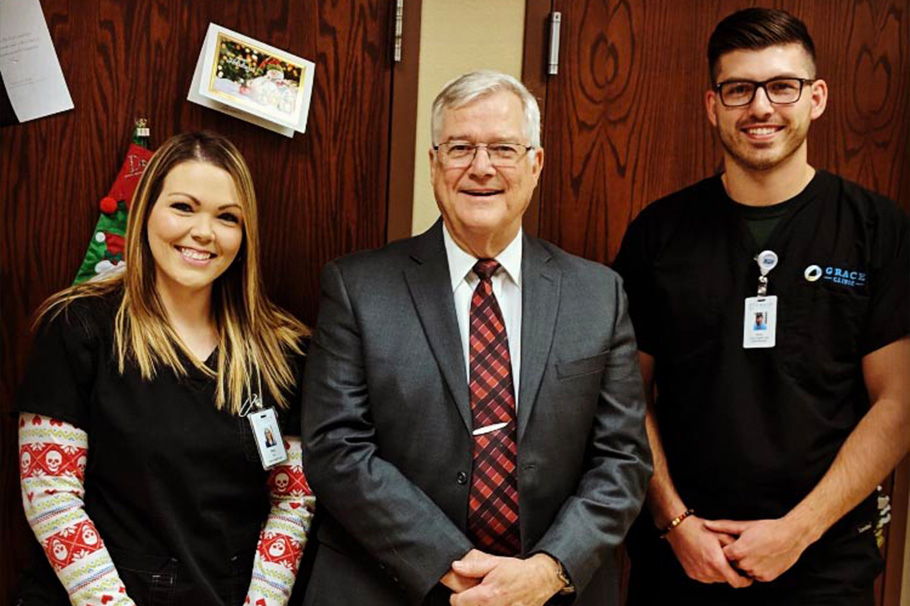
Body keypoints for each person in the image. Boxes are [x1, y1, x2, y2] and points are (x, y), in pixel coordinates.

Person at [302, 70, 651, 606]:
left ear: (535, 164)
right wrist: (453, 565)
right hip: (388, 585)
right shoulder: (357, 288)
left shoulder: (598, 295)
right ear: (434, 163)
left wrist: (548, 569)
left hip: (552, 592)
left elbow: (622, 459)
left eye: (504, 149)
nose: (481, 167)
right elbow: (337, 448)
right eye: (461, 147)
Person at [614, 8, 909, 606]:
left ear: (816, 97)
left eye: (783, 86)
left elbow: (899, 403)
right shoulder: (659, 233)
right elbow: (624, 397)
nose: (761, 107)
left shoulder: (877, 229)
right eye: (738, 88)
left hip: (824, 561)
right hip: (683, 560)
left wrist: (797, 533)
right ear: (711, 104)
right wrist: (675, 524)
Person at [16, 132, 315, 606]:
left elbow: (292, 502)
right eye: (183, 207)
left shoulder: (283, 351)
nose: (203, 232)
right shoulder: (78, 327)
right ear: (145, 212)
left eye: (227, 217)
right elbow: (51, 498)